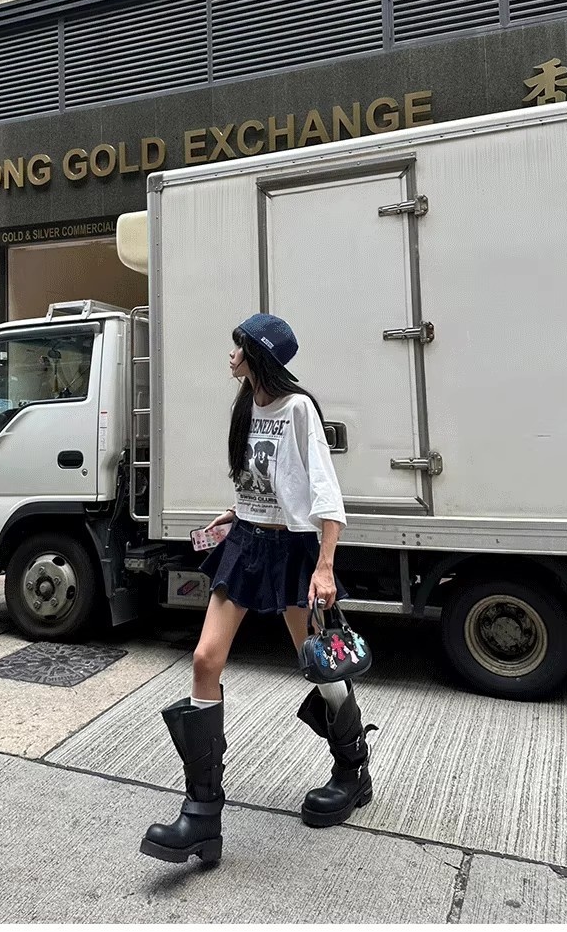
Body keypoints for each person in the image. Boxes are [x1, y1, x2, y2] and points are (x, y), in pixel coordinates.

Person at [139, 313, 377, 865]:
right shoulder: (247, 405)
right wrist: (235, 511)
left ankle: (352, 769)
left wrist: (325, 566)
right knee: (205, 659)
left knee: (321, 667)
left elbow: (325, 491)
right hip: (247, 542)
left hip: (293, 550)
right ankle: (202, 815)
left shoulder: (298, 409)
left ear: (259, 355)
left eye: (239, 347)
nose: (231, 355)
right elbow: (261, 478)